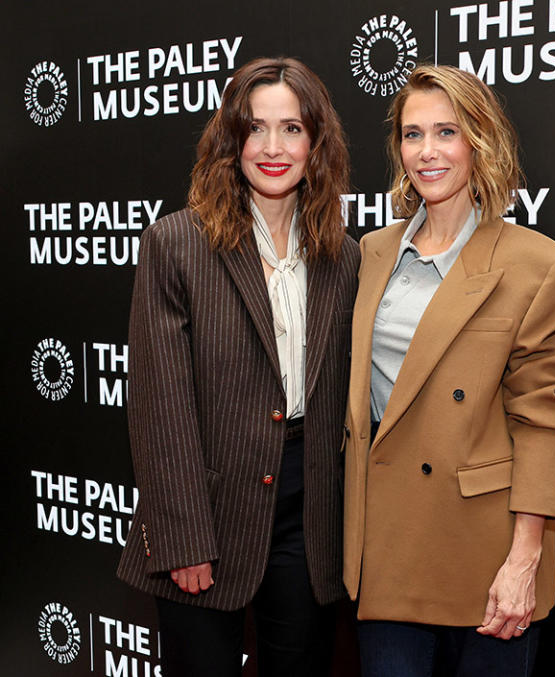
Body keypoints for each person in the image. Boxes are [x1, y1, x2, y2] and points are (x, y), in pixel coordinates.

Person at [116, 57, 358, 677]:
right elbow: (159, 402)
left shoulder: (345, 256)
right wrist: (184, 538)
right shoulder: (177, 243)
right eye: (255, 129)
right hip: (207, 504)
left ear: (317, 142)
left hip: (310, 516)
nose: (273, 148)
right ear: (232, 140)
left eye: (292, 129)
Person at [343, 64, 555, 677]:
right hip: (387, 544)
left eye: (446, 132)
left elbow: (540, 422)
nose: (427, 152)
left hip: (486, 548)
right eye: (412, 134)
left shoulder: (538, 264)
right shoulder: (371, 252)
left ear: (480, 141)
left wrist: (523, 561)